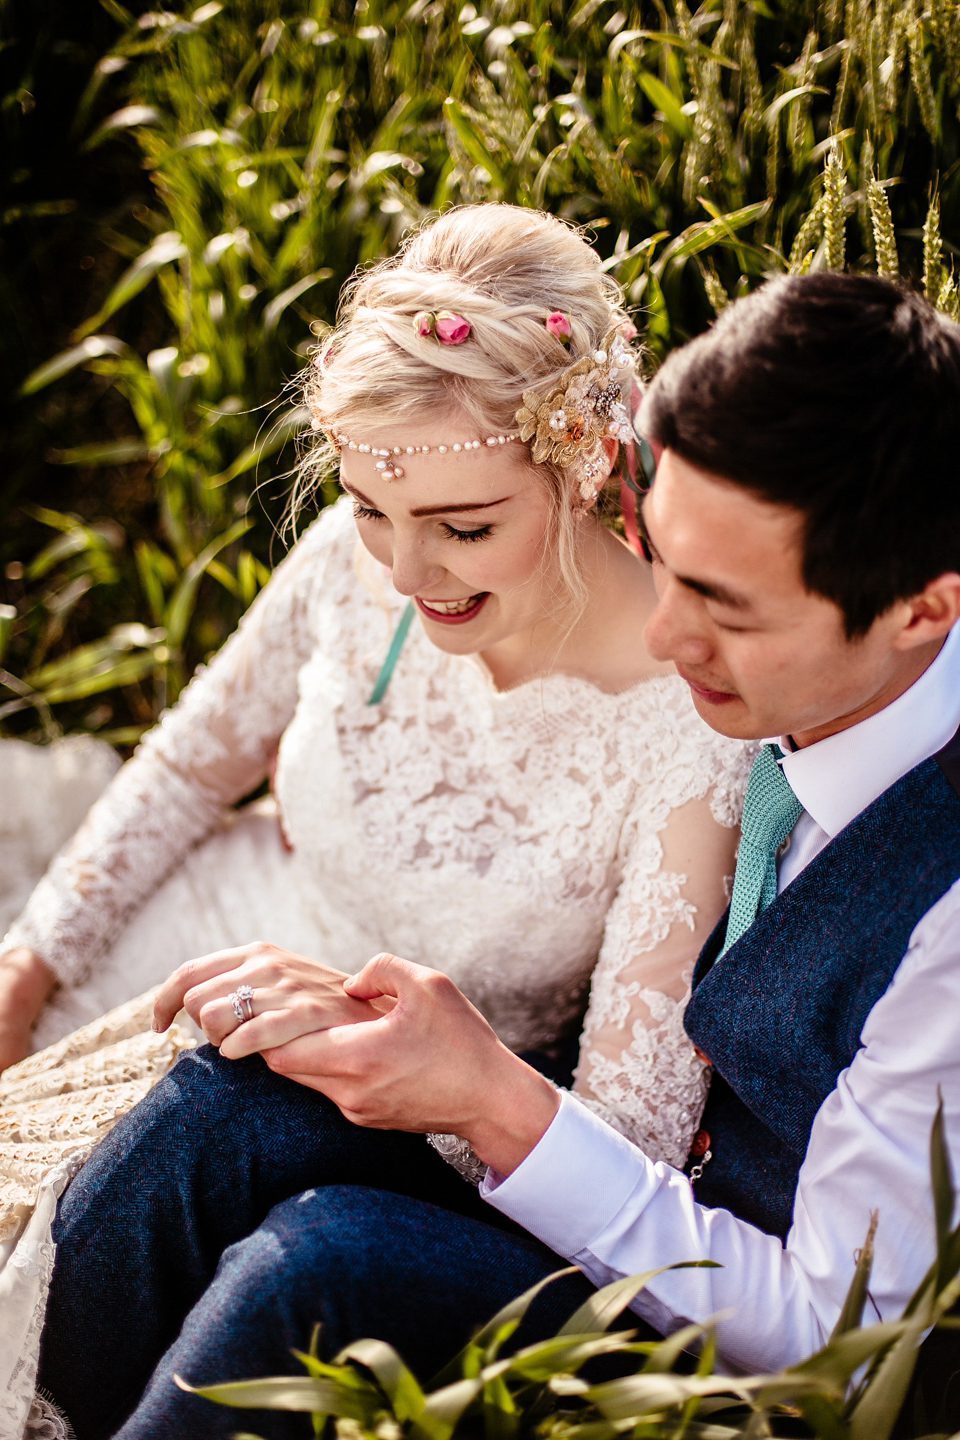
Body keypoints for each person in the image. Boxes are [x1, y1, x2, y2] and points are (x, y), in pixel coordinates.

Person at [37, 270, 960, 1435]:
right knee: (214, 1104)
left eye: (723, 605)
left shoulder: (946, 907)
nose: (667, 637)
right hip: (597, 1187)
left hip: (719, 1332)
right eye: (661, 562)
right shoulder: (781, 681)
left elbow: (831, 1341)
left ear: (922, 613)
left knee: (322, 1267)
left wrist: (488, 1094)